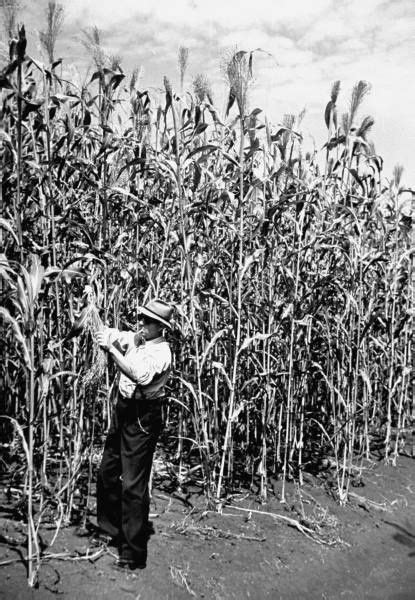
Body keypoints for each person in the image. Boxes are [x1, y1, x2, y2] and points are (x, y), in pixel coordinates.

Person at [94, 298, 173, 570]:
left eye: (147, 321)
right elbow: (119, 335)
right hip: (124, 409)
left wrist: (113, 352)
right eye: (141, 318)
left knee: (133, 485)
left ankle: (132, 554)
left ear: (160, 327)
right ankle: (112, 529)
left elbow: (139, 374)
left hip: (143, 416)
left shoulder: (162, 353)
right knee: (106, 471)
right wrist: (99, 323)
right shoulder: (138, 338)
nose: (141, 323)